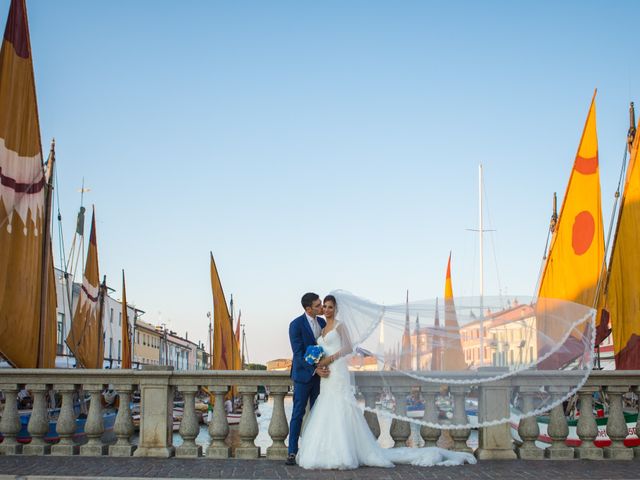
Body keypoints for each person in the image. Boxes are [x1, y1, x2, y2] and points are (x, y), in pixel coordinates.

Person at [296, 294, 477, 469]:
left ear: (336, 309)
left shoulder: (340, 326)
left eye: (329, 307)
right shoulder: (321, 327)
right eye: (324, 306)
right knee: (327, 407)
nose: (326, 309)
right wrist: (319, 364)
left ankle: (345, 452)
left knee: (341, 407)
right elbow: (317, 349)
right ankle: (324, 450)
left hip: (337, 371)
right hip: (326, 375)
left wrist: (330, 359)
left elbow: (349, 347)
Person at [286, 292, 329, 465]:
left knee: (319, 413)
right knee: (298, 413)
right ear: (308, 309)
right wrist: (314, 370)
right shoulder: (295, 325)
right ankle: (292, 452)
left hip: (322, 378)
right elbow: (298, 354)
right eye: (318, 306)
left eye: (321, 304)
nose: (322, 308)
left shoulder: (323, 323)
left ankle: (315, 450)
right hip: (303, 376)